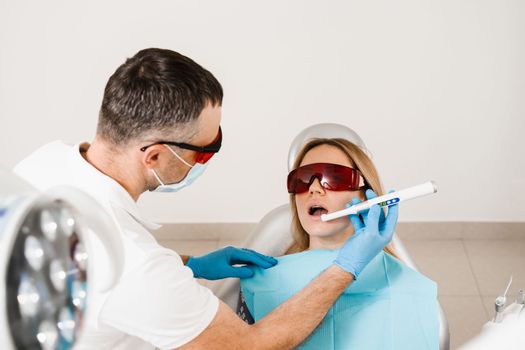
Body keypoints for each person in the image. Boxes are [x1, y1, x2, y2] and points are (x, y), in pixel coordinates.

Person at [14, 48, 398, 349]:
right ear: (155, 156)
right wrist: (347, 266)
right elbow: (251, 345)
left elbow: (96, 265)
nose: (207, 159)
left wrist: (191, 264)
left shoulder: (47, 164)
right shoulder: (139, 269)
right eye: (205, 150)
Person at [239, 137, 439, 349]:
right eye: (303, 178)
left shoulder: (410, 288)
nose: (314, 188)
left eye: (334, 177)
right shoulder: (259, 282)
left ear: (365, 197)